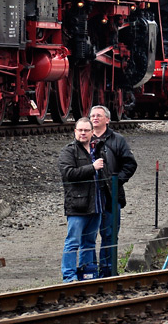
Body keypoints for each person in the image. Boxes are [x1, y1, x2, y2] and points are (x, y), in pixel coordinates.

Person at [87, 105, 137, 278]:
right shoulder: (84, 138)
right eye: (92, 115)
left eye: (99, 115)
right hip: (89, 196)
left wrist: (116, 181)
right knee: (88, 236)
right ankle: (90, 272)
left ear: (107, 119)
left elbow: (130, 164)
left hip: (110, 195)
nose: (95, 118)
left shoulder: (118, 140)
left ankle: (108, 271)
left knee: (109, 234)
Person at [59, 118, 107, 282]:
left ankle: (87, 274)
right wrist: (92, 168)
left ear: (92, 132)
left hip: (96, 204)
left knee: (89, 242)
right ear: (75, 132)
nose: (83, 133)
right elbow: (69, 174)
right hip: (77, 205)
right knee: (73, 242)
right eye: (80, 130)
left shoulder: (98, 149)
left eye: (86, 130)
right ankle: (69, 276)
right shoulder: (69, 151)